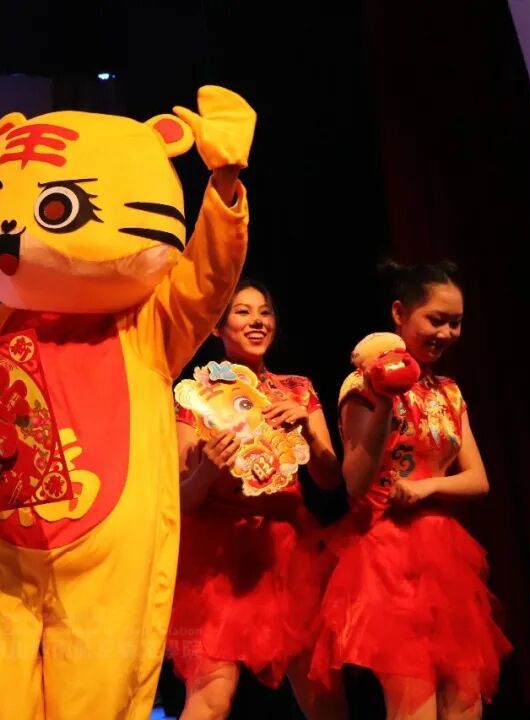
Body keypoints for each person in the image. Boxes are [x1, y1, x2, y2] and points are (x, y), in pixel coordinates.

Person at [310, 261, 510, 720]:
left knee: (466, 705)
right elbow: (355, 483)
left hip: (445, 555)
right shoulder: (363, 385)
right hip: (386, 554)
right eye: (435, 320)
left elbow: (478, 479)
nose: (446, 333)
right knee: (413, 706)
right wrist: (384, 401)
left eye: (455, 323)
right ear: (400, 313)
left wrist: (427, 488)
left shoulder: (449, 392)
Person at [168, 279, 347, 720]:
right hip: (217, 558)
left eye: (265, 312)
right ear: (217, 327)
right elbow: (181, 500)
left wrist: (307, 431)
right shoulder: (196, 396)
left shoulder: (297, 389)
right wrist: (209, 469)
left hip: (288, 552)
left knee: (324, 699)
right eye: (243, 312)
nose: (257, 321)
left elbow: (329, 480)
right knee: (211, 698)